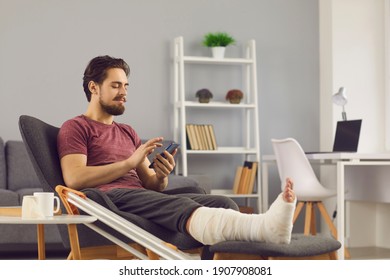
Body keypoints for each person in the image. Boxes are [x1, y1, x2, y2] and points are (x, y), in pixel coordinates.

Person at [57, 55, 297, 246]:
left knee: (223, 203)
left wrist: (161, 176)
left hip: (140, 197)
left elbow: (151, 185)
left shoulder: (127, 131)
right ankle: (265, 228)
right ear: (94, 87)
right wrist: (129, 163)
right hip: (110, 200)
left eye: (126, 86)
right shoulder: (76, 127)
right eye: (116, 86)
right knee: (179, 206)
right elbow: (75, 179)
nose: (124, 92)